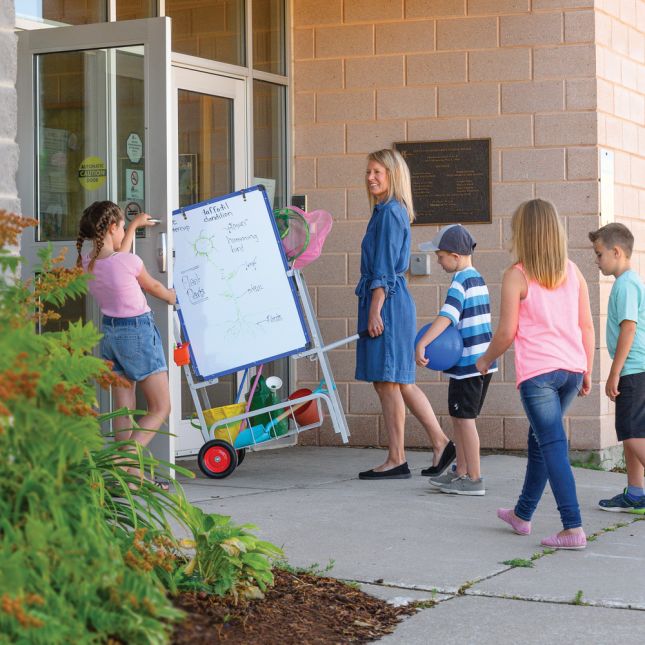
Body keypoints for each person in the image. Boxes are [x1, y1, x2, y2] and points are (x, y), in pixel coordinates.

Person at [476, 199, 594, 550]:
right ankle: (522, 515)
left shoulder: (517, 275)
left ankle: (572, 528)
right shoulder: (573, 271)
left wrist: (484, 361)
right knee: (540, 440)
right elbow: (586, 325)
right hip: (571, 370)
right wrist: (586, 368)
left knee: (553, 445)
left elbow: (506, 332)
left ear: (522, 235)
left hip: (540, 375)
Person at [355, 149, 454, 480]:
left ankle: (397, 458)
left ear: (392, 176)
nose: (370, 177)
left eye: (377, 172)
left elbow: (383, 267)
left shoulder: (390, 213)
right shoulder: (385, 211)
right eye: (368, 172)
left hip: (388, 304)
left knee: (389, 382)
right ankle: (440, 443)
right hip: (390, 301)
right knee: (398, 380)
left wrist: (374, 308)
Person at [76, 201, 176, 489]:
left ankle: (130, 479)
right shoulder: (129, 262)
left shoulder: (88, 262)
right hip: (137, 333)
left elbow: (116, 256)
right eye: (120, 226)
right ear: (110, 228)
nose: (123, 232)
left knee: (124, 409)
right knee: (160, 407)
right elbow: (153, 287)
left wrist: (131, 226)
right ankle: (122, 461)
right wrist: (170, 296)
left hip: (110, 334)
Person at [415, 224, 495, 496]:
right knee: (459, 416)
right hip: (479, 363)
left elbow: (448, 316)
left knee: (465, 420)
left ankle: (474, 478)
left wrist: (423, 342)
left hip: (470, 365)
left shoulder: (461, 281)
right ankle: (460, 471)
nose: (438, 261)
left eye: (440, 256)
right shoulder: (478, 278)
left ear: (456, 256)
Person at [588, 223, 645, 514]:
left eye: (599, 255)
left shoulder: (626, 284)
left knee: (631, 432)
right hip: (636, 369)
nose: (596, 261)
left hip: (633, 370)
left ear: (616, 251)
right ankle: (636, 494)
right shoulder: (630, 282)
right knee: (633, 432)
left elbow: (629, 329)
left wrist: (614, 372)